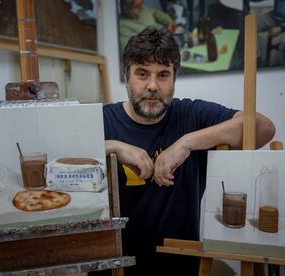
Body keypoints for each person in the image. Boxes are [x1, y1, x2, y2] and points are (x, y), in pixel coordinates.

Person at [98, 27, 275, 275]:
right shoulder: (103, 120)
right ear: (126, 77)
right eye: (141, 73)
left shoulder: (191, 115)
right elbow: (56, 164)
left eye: (163, 75)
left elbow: (263, 128)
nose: (152, 85)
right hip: (115, 266)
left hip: (180, 266)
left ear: (174, 78)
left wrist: (187, 142)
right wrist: (113, 146)